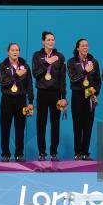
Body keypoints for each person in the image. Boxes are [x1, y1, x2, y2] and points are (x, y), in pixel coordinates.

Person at [32, 31, 67, 161]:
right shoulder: (37, 55)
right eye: (48, 40)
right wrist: (47, 63)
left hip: (56, 93)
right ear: (43, 42)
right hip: (42, 93)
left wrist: (63, 96)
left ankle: (53, 152)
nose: (51, 42)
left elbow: (63, 78)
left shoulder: (60, 56)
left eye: (53, 39)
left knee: (55, 123)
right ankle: (41, 152)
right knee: (41, 123)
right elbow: (36, 74)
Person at [0, 43, 34, 162]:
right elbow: (3, 82)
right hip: (7, 99)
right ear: (8, 52)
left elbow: (29, 85)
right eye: (13, 50)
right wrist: (15, 75)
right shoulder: (2, 66)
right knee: (5, 127)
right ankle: (5, 154)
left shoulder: (25, 66)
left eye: (17, 50)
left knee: (20, 128)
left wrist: (30, 101)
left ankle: (19, 154)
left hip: (21, 100)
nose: (15, 52)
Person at [67, 39, 101, 160]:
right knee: (77, 125)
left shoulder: (94, 62)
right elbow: (73, 79)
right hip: (77, 95)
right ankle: (77, 153)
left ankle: (85, 152)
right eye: (83, 46)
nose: (85, 47)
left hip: (90, 96)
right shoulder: (71, 62)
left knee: (88, 125)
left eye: (87, 45)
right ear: (78, 48)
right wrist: (85, 70)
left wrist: (95, 92)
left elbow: (98, 81)